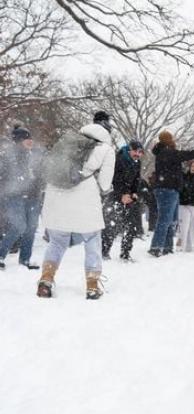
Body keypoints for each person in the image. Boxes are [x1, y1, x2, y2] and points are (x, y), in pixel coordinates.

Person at [37, 117, 116, 299]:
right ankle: (92, 285)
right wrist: (106, 188)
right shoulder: (106, 149)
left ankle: (46, 279)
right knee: (92, 240)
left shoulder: (67, 141)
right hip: (84, 200)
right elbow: (104, 184)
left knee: (57, 241)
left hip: (55, 196)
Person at [148, 131, 194, 257]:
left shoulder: (162, 152)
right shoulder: (168, 152)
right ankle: (156, 247)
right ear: (168, 140)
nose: (174, 140)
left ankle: (167, 247)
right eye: (172, 138)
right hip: (168, 189)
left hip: (168, 189)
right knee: (165, 219)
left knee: (171, 220)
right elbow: (189, 154)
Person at [0, 126, 44, 271]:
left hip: (33, 197)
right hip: (15, 197)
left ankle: (25, 259)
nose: (30, 141)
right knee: (19, 226)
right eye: (26, 138)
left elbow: (40, 174)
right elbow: (4, 177)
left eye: (30, 138)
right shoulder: (9, 156)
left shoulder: (35, 154)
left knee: (31, 228)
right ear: (19, 141)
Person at [102, 140, 144, 262]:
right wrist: (121, 195)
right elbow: (115, 179)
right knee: (112, 226)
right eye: (136, 151)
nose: (138, 154)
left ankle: (125, 253)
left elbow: (136, 179)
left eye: (140, 152)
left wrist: (135, 192)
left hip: (129, 197)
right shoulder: (118, 160)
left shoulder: (137, 163)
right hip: (115, 195)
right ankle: (104, 251)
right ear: (130, 150)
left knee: (131, 226)